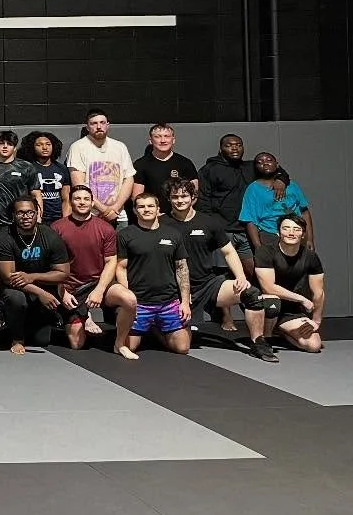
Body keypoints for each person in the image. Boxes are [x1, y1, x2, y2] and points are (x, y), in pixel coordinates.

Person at [165, 179, 277, 362]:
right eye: (175, 197)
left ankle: (258, 341)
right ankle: (156, 329)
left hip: (208, 284)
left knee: (251, 294)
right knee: (182, 346)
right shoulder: (162, 223)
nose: (180, 200)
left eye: (184, 196)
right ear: (169, 199)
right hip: (174, 290)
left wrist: (241, 276)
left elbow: (228, 251)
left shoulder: (209, 222)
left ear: (193, 198)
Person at [113, 192, 192, 360]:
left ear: (158, 209)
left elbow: (182, 268)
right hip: (140, 303)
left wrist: (185, 302)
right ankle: (149, 325)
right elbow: (120, 267)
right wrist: (129, 298)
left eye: (150, 206)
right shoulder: (125, 235)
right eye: (141, 206)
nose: (146, 210)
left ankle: (156, 328)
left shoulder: (173, 234)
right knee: (128, 347)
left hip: (168, 302)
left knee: (183, 348)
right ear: (135, 211)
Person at [198, 134, 288, 276]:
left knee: (255, 272)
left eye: (238, 145)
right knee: (224, 273)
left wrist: (281, 179)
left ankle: (256, 298)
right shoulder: (209, 170)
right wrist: (211, 227)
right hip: (223, 230)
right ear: (221, 149)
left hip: (247, 230)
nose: (235, 148)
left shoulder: (250, 167)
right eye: (229, 145)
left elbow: (276, 169)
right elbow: (203, 200)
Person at [0, 196, 72, 355]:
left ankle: (32, 323)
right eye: (20, 213)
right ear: (13, 215)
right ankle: (17, 338)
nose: (26, 217)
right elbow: (9, 277)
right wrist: (40, 292)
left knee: (41, 341)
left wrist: (33, 277)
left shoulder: (50, 236)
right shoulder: (4, 237)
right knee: (16, 298)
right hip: (14, 290)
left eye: (30, 212)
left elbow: (63, 274)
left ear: (37, 213)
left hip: (40, 289)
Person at [51, 185, 120, 350]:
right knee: (76, 343)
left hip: (97, 283)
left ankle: (122, 342)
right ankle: (84, 316)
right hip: (71, 288)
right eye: (77, 199)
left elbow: (111, 261)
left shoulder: (106, 228)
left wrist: (100, 290)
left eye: (86, 199)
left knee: (128, 299)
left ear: (92, 202)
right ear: (71, 201)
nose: (82, 202)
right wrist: (62, 292)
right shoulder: (56, 228)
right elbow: (52, 265)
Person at [253, 214, 325, 353]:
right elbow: (268, 287)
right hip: (265, 304)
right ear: (278, 232)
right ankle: (265, 338)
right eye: (286, 228)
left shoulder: (310, 256)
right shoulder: (265, 251)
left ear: (303, 234)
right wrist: (302, 299)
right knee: (273, 303)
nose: (291, 233)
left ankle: (281, 330)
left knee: (314, 345)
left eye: (296, 229)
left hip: (292, 310)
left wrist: (316, 321)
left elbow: (318, 291)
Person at [66, 109, 136, 226]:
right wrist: (104, 209)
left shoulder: (120, 147)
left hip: (118, 213)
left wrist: (115, 208)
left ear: (108, 125)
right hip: (90, 214)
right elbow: (79, 184)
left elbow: (128, 179)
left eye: (102, 123)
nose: (99, 126)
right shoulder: (78, 147)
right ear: (87, 127)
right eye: (94, 123)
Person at [240, 152, 314, 255]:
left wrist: (309, 239)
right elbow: (250, 221)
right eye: (260, 162)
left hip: (296, 233)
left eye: (269, 161)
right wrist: (258, 247)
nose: (265, 164)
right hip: (270, 234)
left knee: (299, 268)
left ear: (277, 164)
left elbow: (305, 212)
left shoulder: (292, 185)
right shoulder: (253, 189)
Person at [0, 130, 40, 244]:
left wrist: (38, 218)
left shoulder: (26, 167)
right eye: (1, 143)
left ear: (14, 147)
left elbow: (36, 194)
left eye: (9, 144)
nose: (5, 147)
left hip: (21, 221)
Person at [130, 124, 199, 214]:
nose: (163, 140)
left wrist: (181, 212)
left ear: (173, 140)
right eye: (157, 137)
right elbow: (137, 197)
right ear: (150, 141)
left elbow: (194, 194)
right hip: (154, 217)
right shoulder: (140, 164)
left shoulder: (185, 163)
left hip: (179, 217)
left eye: (167, 136)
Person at [22, 131, 70, 223]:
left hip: (58, 218)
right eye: (39, 145)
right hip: (37, 218)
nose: (44, 147)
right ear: (32, 147)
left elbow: (66, 199)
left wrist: (65, 222)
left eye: (48, 144)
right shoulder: (28, 169)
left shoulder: (62, 169)